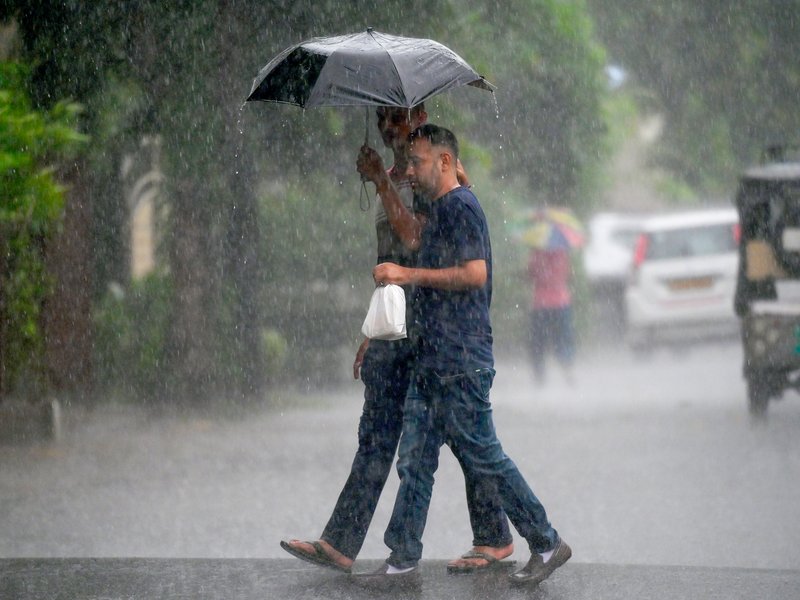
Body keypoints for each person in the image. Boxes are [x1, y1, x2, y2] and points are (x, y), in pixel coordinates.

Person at [280, 107, 513, 574]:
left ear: (419, 117)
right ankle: (341, 542)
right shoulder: (394, 176)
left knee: (466, 437)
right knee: (376, 436)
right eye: (382, 119)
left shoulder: (433, 178)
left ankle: (493, 536)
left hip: (432, 329)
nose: (389, 129)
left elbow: (412, 241)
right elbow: (387, 261)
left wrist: (384, 184)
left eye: (397, 119)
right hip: (395, 327)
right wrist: (374, 327)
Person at [364, 124, 571, 585]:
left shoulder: (461, 207)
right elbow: (415, 240)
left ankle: (546, 540)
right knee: (415, 459)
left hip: (461, 359)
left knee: (484, 458)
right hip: (431, 358)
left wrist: (408, 274)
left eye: (416, 162)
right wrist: (383, 180)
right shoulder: (438, 209)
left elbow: (474, 274)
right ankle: (402, 559)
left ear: (444, 161)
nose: (410, 171)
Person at [527, 243, 576, 384]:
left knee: (538, 342)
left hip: (540, 304)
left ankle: (540, 376)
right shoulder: (563, 252)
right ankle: (568, 371)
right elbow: (568, 274)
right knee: (563, 339)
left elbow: (531, 274)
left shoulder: (536, 253)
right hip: (561, 302)